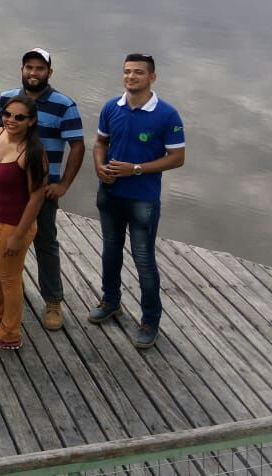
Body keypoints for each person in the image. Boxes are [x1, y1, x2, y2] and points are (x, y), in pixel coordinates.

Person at [90, 54, 185, 349]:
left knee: (143, 259)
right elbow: (100, 142)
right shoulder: (112, 107)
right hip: (110, 194)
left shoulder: (167, 114)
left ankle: (150, 320)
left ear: (152, 77)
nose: (131, 77)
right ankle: (111, 301)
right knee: (110, 251)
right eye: (127, 71)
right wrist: (99, 166)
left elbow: (177, 158)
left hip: (143, 200)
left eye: (139, 72)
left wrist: (136, 169)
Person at [0, 48, 85, 330]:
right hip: (10, 187)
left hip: (43, 190)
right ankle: (9, 289)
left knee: (45, 243)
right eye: (29, 67)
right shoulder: (6, 100)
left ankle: (53, 300)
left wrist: (64, 184)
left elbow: (77, 146)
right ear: (22, 69)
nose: (33, 73)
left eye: (39, 68)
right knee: (3, 239)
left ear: (49, 72)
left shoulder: (64, 105)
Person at [0, 95, 49, 351]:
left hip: (15, 224)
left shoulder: (33, 153)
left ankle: (10, 332)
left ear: (31, 121)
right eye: (8, 114)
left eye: (20, 117)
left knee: (9, 279)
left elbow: (37, 197)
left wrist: (19, 235)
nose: (12, 120)